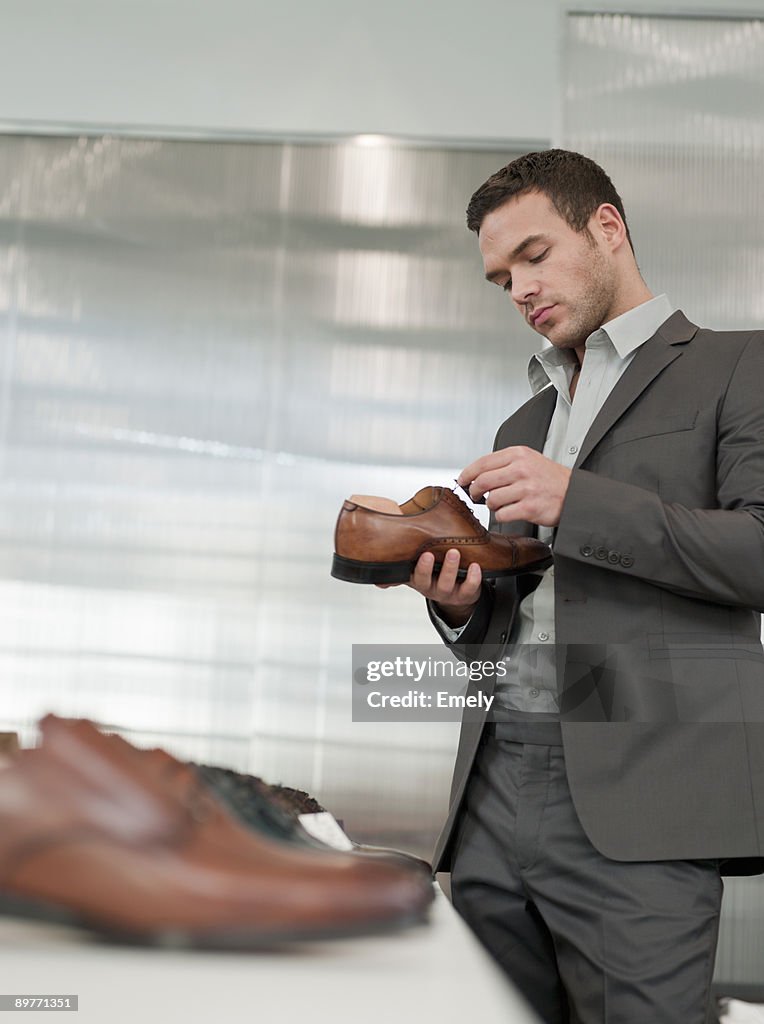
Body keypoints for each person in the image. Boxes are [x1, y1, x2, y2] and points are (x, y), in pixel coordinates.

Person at [395, 150, 764, 1023]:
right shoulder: (525, 419)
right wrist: (460, 604)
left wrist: (578, 501)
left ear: (607, 227)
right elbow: (517, 609)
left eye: (534, 255)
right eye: (500, 278)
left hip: (644, 791)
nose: (519, 289)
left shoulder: (738, 368)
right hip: (492, 781)